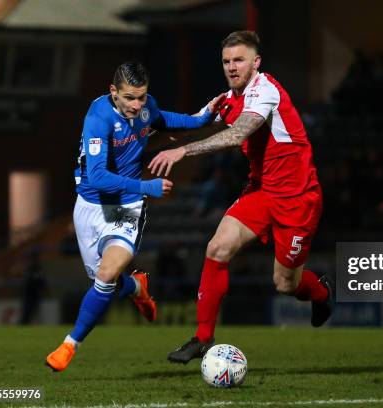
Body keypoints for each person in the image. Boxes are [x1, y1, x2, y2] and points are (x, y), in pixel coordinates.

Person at [148, 31, 332, 364]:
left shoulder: (265, 92)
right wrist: (145, 130)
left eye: (239, 60)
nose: (232, 67)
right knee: (218, 247)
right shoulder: (228, 98)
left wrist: (182, 151)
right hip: (261, 191)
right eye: (227, 61)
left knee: (285, 284)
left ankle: (322, 292)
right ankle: (202, 337)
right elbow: (194, 121)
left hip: (297, 197)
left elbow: (238, 134)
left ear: (255, 62)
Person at [45, 61, 225, 371]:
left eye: (142, 97)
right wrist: (147, 185)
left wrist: (204, 118)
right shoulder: (98, 118)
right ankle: (137, 287)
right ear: (113, 91)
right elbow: (99, 177)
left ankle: (68, 345)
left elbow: (164, 118)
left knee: (104, 278)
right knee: (107, 283)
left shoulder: (145, 106)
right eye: (129, 97)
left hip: (126, 207)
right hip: (90, 207)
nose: (137, 105)